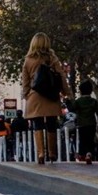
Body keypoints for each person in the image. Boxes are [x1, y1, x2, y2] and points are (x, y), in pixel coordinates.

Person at [21, 32, 71, 164]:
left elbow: (25, 81)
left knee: (37, 124)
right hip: (51, 95)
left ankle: (41, 153)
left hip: (35, 95)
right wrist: (66, 92)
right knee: (51, 124)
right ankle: (52, 153)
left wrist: (26, 95)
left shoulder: (28, 60)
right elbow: (61, 76)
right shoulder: (52, 58)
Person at [72, 80, 98, 164]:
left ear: (80, 91)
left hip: (82, 125)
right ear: (91, 91)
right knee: (90, 140)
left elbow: (72, 108)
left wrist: (68, 101)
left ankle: (83, 154)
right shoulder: (93, 101)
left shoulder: (78, 101)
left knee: (83, 140)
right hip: (91, 124)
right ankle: (89, 154)